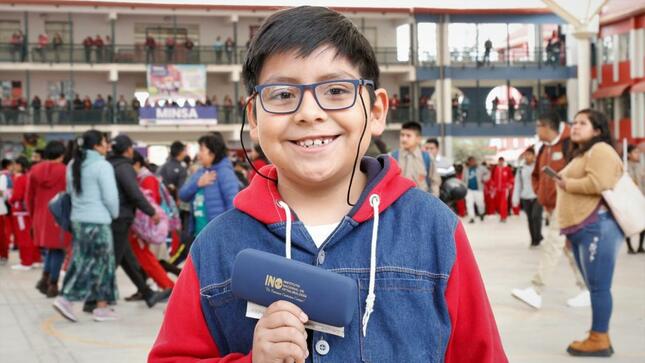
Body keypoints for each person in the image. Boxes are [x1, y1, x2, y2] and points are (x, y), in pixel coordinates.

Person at [149, 6, 506, 362]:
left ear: (377, 112)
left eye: (336, 90)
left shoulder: (435, 230)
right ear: (254, 118)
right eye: (283, 95)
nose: (309, 112)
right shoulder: (216, 247)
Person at [555, 109, 624, 357]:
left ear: (597, 130)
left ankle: (599, 338)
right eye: (574, 122)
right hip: (584, 227)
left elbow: (601, 183)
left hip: (598, 226)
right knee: (595, 286)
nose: (575, 126)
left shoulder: (601, 150)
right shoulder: (583, 153)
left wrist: (567, 183)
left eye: (582, 123)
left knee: (599, 287)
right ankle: (598, 334)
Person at [512, 111, 589, 309]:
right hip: (551, 205)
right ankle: (587, 289)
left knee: (553, 243)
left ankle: (536, 290)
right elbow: (537, 175)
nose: (536, 130)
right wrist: (541, 194)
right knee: (569, 249)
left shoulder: (570, 144)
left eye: (537, 126)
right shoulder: (544, 149)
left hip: (567, 204)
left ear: (546, 126)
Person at [52, 130, 119, 322]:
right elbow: (110, 197)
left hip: (79, 220)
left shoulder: (73, 164)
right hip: (98, 221)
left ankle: (101, 306)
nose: (107, 146)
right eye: (105, 142)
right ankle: (66, 298)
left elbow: (71, 192)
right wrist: (113, 214)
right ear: (97, 145)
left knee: (83, 260)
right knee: (101, 264)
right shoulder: (102, 165)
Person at [105, 134, 169, 308]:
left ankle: (148, 293)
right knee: (115, 260)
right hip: (121, 218)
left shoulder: (109, 164)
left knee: (127, 259)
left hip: (114, 217)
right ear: (128, 150)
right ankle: (97, 299)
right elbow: (134, 194)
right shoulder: (125, 167)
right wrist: (151, 212)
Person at [27, 141, 72, 298]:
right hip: (59, 215)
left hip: (40, 215)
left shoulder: (34, 170)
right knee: (58, 249)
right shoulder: (66, 171)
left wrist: (33, 217)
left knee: (51, 249)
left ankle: (44, 279)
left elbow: (29, 197)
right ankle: (53, 284)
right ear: (62, 154)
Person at [129, 151, 175, 294]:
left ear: (136, 164)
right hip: (144, 226)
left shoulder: (147, 179)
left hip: (146, 226)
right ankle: (157, 286)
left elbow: (150, 204)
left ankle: (167, 286)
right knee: (146, 259)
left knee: (148, 259)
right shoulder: (142, 178)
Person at [178, 134, 239, 238]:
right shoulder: (200, 172)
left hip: (217, 235)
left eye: (202, 150)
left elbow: (233, 204)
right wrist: (197, 184)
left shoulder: (225, 173)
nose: (199, 154)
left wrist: (228, 234)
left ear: (212, 152)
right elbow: (183, 195)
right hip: (198, 234)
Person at [391, 121, 441, 196]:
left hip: (422, 202)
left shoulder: (426, 157)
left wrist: (433, 201)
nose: (404, 139)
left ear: (418, 139)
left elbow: (435, 182)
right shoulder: (393, 157)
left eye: (408, 136)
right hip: (399, 202)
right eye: (402, 135)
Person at [8, 156, 40, 270]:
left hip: (20, 212)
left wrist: (10, 200)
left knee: (23, 237)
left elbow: (17, 195)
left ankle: (26, 262)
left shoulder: (20, 179)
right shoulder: (29, 177)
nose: (13, 167)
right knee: (31, 236)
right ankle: (36, 259)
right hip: (29, 211)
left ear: (20, 165)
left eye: (15, 164)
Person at [512, 147, 543, 246]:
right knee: (530, 218)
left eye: (529, 154)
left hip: (537, 196)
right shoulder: (520, 169)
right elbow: (517, 184)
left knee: (536, 216)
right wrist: (515, 199)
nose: (527, 157)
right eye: (525, 155)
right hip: (525, 197)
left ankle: (538, 237)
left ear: (534, 156)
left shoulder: (539, 167)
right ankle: (533, 239)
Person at [625, 144, 644, 254]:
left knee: (643, 222)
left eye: (638, 152)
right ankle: (630, 246)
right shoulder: (625, 166)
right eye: (635, 152)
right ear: (629, 154)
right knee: (628, 222)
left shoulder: (641, 166)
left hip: (640, 197)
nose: (638, 154)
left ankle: (640, 246)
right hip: (629, 199)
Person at [465, 156, 490, 223]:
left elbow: (488, 173)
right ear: (469, 162)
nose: (472, 162)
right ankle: (472, 218)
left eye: (473, 161)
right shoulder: (466, 169)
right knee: (469, 204)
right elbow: (463, 179)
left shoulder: (481, 168)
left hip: (478, 189)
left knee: (480, 203)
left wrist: (484, 179)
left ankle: (481, 214)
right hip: (469, 190)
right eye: (471, 161)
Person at [491, 157, 514, 222]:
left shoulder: (507, 169)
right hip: (497, 189)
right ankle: (501, 215)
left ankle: (503, 217)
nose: (501, 162)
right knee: (498, 204)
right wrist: (493, 186)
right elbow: (492, 178)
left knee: (503, 203)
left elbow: (511, 178)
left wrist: (509, 185)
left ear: (503, 161)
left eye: (502, 161)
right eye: (499, 161)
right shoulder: (495, 169)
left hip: (504, 189)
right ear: (498, 161)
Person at [0, 159, 14, 265]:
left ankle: (3, 255)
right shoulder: (5, 176)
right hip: (2, 207)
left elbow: (2, 193)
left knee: (2, 234)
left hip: (1, 209)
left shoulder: (3, 176)